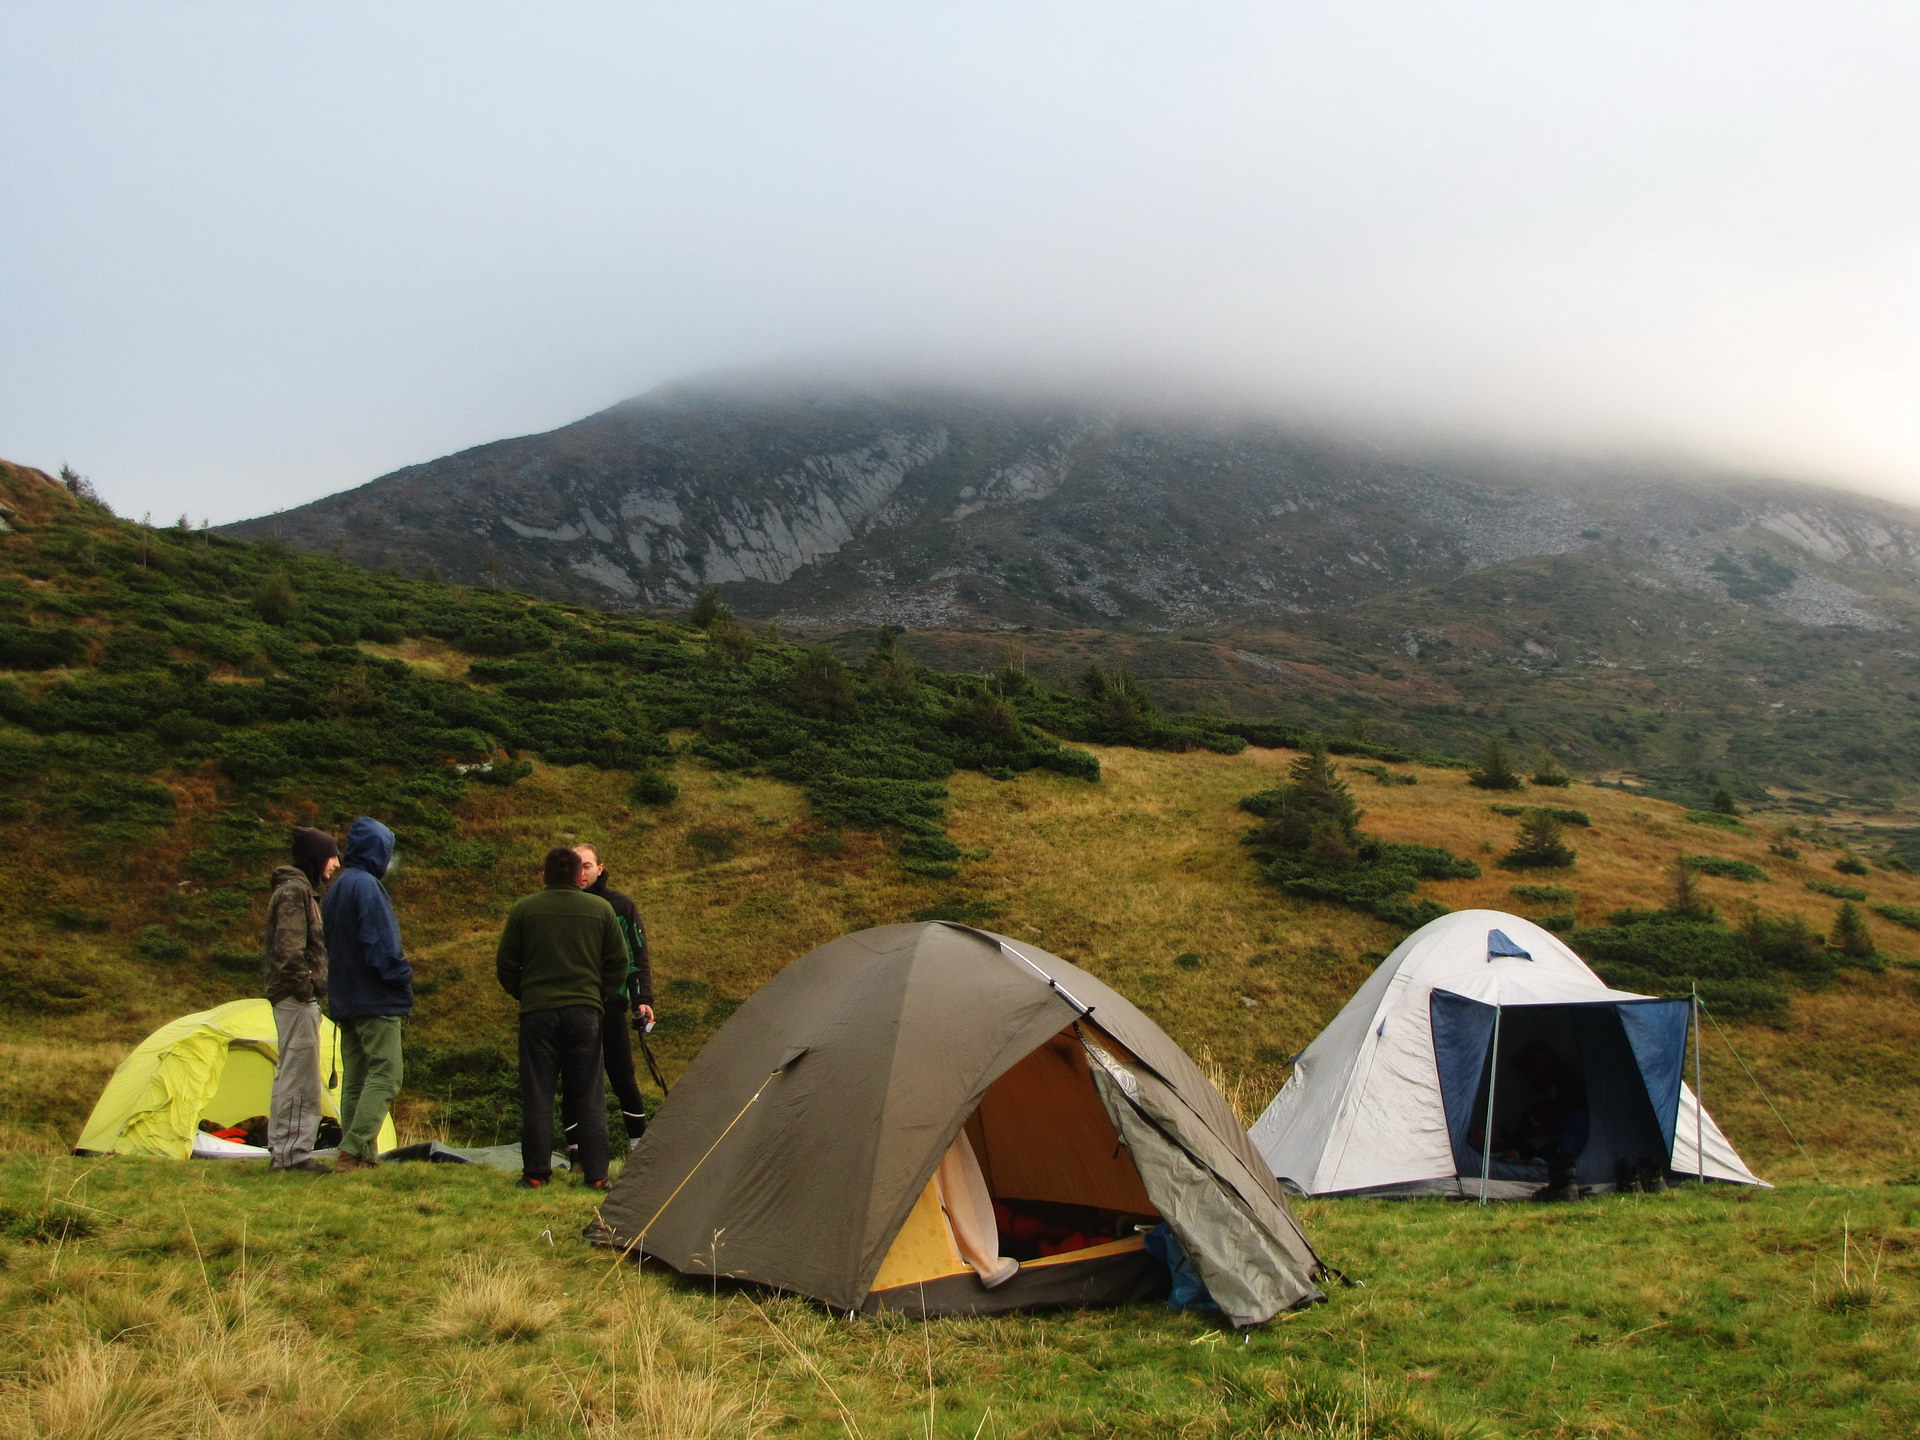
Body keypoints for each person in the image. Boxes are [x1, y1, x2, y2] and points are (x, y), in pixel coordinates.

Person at [496, 846, 626, 1190]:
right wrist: (598, 997)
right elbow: (618, 963)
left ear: (544, 876)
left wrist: (526, 994)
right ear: (578, 877)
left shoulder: (524, 909)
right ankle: (597, 1175)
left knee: (538, 1093)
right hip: (584, 1013)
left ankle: (536, 1173)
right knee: (589, 1094)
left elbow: (507, 965)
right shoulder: (600, 910)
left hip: (537, 1013)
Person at [320, 816, 411, 1172]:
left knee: (356, 1077)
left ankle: (362, 1154)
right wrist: (402, 976)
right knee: (388, 1073)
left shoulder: (338, 888)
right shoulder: (369, 887)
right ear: (379, 851)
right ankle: (353, 1149)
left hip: (345, 998)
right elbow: (382, 948)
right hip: (376, 998)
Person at [264, 827, 339, 1173]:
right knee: (298, 1074)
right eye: (331, 856)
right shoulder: (295, 893)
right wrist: (307, 989)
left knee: (294, 1072)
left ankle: (286, 1151)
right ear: (316, 857)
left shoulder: (298, 891)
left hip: (295, 997)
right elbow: (289, 950)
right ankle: (292, 1156)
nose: (336, 864)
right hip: (296, 998)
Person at [572, 843, 654, 1149]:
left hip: (610, 1006)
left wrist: (642, 999)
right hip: (572, 1007)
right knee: (575, 1079)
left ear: (600, 868)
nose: (580, 872)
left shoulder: (621, 905)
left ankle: (639, 1148)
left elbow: (637, 957)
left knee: (622, 1076)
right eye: (575, 865)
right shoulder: (561, 905)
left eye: (587, 866)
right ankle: (576, 1153)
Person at [1512, 1041, 1589, 1202]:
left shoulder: (1567, 1084)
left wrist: (1531, 1128)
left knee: (1549, 1150)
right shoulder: (1554, 1086)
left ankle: (1564, 1182)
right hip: (1565, 1133)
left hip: (1572, 1138)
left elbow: (1551, 1118)